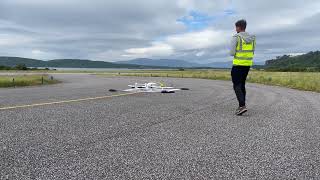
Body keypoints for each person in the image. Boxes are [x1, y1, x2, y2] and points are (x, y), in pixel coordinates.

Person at [230, 19, 256, 116]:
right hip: (247, 64)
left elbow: (232, 53)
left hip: (238, 65)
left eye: (236, 27)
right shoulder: (252, 38)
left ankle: (242, 106)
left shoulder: (236, 37)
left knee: (236, 85)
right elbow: (253, 51)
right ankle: (242, 105)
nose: (235, 29)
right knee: (242, 85)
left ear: (238, 27)